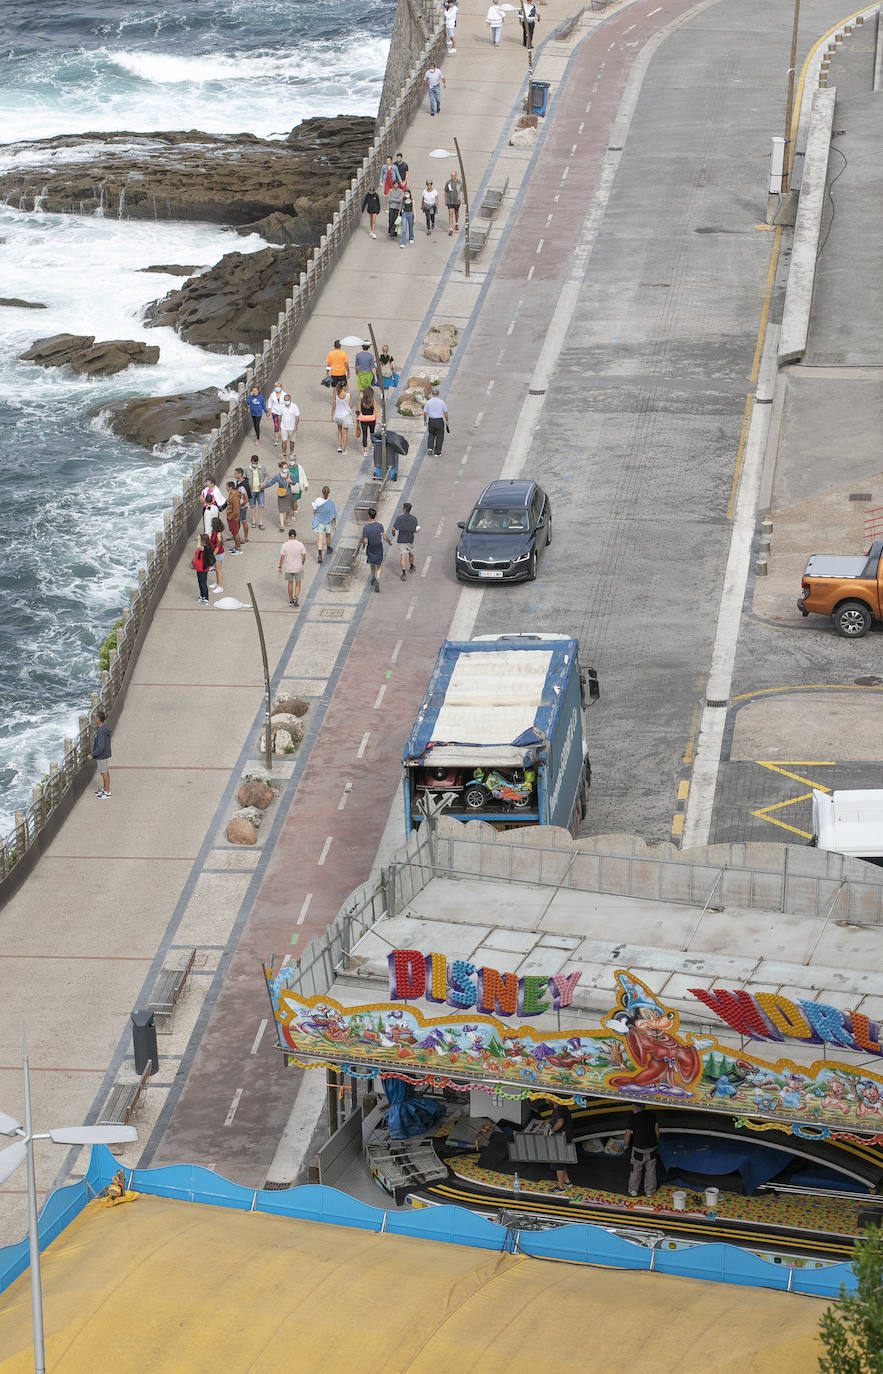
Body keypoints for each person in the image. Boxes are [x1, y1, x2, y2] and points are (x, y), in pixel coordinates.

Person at [623, 1104, 660, 1197]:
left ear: (635, 1107)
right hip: (652, 1148)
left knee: (635, 1170)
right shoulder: (652, 1115)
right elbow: (657, 1132)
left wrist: (626, 1146)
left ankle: (633, 1190)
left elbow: (627, 1135)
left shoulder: (633, 1118)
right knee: (651, 1170)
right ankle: (650, 1191)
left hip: (638, 1150)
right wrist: (656, 1143)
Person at [361, 507, 391, 591]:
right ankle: (377, 579)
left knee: (372, 563)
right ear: (375, 515)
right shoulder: (380, 526)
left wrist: (363, 546)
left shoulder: (366, 528)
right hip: (378, 547)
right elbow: (384, 536)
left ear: (368, 516)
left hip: (371, 547)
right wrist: (389, 542)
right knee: (379, 565)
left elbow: (365, 540)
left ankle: (373, 577)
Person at [548, 1100, 574, 1190]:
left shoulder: (559, 1108)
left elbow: (560, 1122)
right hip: (565, 1137)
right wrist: (549, 1124)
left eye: (547, 1096)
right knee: (561, 1160)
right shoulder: (560, 1107)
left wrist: (552, 1130)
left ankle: (560, 1187)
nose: (545, 1098)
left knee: (558, 1161)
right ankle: (567, 1181)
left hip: (561, 1138)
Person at [87, 707, 112, 799]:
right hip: (105, 753)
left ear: (98, 719)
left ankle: (107, 792)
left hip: (101, 755)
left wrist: (92, 755)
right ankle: (105, 789)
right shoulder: (104, 727)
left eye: (94, 718)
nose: (94, 719)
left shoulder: (101, 731)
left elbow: (101, 746)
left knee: (103, 773)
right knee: (105, 772)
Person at [391, 501, 420, 580]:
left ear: (404, 509)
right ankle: (411, 566)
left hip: (401, 540)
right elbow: (418, 530)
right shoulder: (414, 518)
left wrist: (393, 533)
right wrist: (411, 531)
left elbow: (393, 529)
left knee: (403, 557)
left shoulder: (399, 518)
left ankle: (404, 574)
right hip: (410, 540)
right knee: (411, 554)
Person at [278, 527, 307, 607]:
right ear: (295, 536)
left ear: (289, 536)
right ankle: (296, 596)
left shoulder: (284, 545)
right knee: (298, 583)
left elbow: (282, 557)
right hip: (298, 567)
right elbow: (304, 555)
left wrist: (280, 567)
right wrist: (302, 562)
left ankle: (291, 600)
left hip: (288, 568)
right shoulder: (300, 544)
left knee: (290, 583)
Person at [311, 485, 338, 562]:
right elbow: (334, 514)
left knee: (320, 538)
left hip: (320, 522)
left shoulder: (317, 500)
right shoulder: (331, 503)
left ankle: (320, 555)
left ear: (322, 492)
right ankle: (328, 548)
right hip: (328, 522)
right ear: (329, 493)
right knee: (328, 535)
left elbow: (314, 512)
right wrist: (335, 524)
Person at [423, 385, 449, 455]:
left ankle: (430, 448)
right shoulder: (442, 402)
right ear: (438, 394)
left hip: (431, 421)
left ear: (432, 394)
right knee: (440, 436)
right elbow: (445, 413)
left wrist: (425, 421)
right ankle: (437, 452)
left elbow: (425, 413)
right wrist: (447, 420)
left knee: (431, 434)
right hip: (439, 421)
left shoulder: (428, 402)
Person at [191, 530, 215, 605]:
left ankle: (206, 599)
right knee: (200, 583)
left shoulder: (206, 548)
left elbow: (198, 547)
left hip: (203, 569)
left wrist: (199, 539)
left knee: (203, 584)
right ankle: (202, 596)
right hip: (198, 568)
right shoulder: (203, 547)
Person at [332, 379, 353, 453]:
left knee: (339, 430)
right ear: (344, 387)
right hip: (346, 416)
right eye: (347, 385)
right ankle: (344, 449)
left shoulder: (336, 394)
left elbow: (334, 405)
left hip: (337, 415)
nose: (348, 387)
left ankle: (340, 446)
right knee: (345, 433)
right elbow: (351, 405)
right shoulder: (348, 395)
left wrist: (332, 415)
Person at [273, 460, 295, 532]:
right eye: (284, 468)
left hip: (289, 493)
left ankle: (287, 519)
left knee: (288, 509)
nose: (286, 469)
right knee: (281, 510)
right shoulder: (277, 476)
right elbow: (271, 482)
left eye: (286, 467)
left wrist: (290, 481)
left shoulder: (290, 475)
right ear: (281, 468)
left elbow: (294, 482)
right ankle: (282, 525)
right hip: (281, 494)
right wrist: (264, 486)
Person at [248, 454, 268, 530]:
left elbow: (267, 476)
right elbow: (244, 478)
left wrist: (263, 483)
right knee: (252, 506)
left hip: (260, 490)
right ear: (251, 461)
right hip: (251, 491)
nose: (255, 464)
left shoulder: (262, 467)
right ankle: (253, 521)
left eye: (256, 463)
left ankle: (260, 522)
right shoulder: (247, 468)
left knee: (261, 506)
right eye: (253, 463)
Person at [278, 392, 300, 459]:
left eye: (287, 400)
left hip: (292, 427)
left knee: (292, 441)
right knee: (284, 441)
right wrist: (279, 425)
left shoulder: (294, 406)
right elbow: (279, 416)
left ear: (290, 400)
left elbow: (297, 417)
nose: (286, 401)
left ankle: (291, 452)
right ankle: (284, 454)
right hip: (283, 426)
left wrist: (296, 426)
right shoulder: (281, 406)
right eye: (285, 400)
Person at [358, 385, 378, 458]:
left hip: (363, 420)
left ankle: (365, 451)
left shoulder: (361, 401)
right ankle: (373, 446)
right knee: (372, 432)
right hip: (372, 419)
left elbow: (358, 411)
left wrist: (358, 418)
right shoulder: (373, 401)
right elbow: (376, 411)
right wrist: (379, 420)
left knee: (364, 434)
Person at [233, 467, 252, 542]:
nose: (234, 475)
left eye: (235, 473)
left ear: (240, 474)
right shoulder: (238, 481)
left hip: (242, 506)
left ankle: (246, 537)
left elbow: (246, 499)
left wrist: (239, 506)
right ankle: (236, 535)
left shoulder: (243, 486)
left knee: (243, 521)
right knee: (237, 521)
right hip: (239, 505)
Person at [225, 481, 243, 552]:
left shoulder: (235, 497)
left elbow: (236, 511)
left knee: (235, 534)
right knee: (234, 533)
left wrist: (230, 517)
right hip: (232, 516)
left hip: (234, 518)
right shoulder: (231, 494)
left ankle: (238, 548)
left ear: (230, 487)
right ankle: (236, 547)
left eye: (227, 487)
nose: (226, 488)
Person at [209, 517, 226, 591]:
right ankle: (217, 583)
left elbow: (218, 547)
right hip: (216, 553)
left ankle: (220, 586)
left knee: (218, 570)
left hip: (218, 554)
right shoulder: (214, 531)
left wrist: (212, 556)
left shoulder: (218, 535)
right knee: (216, 569)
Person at [444, 169, 461, 235]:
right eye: (451, 175)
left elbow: (462, 191)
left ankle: (456, 223)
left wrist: (463, 199)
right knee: (450, 213)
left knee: (456, 213)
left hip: (457, 201)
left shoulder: (459, 182)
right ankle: (450, 229)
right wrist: (446, 200)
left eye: (453, 175)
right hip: (450, 201)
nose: (452, 176)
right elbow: (446, 191)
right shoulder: (448, 182)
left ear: (456, 175)